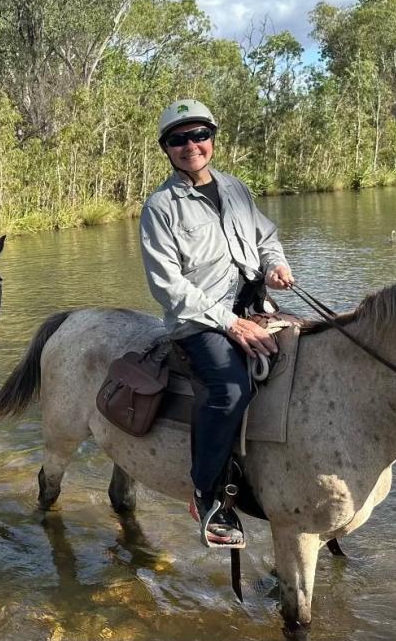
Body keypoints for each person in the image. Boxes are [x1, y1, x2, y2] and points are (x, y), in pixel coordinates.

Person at [139, 99, 294, 549]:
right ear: (166, 148)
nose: (191, 145)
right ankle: (207, 495)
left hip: (255, 306)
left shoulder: (236, 188)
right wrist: (230, 323)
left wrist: (275, 267)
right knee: (230, 389)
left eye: (199, 135)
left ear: (212, 139)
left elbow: (267, 239)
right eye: (178, 139)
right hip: (198, 322)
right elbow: (167, 286)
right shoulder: (160, 207)